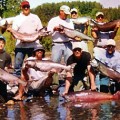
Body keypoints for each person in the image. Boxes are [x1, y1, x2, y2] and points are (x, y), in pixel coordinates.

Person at [12, 1, 43, 78]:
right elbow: (14, 32)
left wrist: (40, 36)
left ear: (29, 7)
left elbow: (40, 30)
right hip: (20, 46)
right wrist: (11, 31)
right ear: (21, 8)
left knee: (34, 66)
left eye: (27, 7)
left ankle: (33, 83)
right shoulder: (17, 18)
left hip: (33, 46)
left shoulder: (35, 17)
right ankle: (17, 83)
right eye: (24, 7)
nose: (26, 8)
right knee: (17, 67)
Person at [0, 35, 12, 102]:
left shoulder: (7, 56)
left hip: (2, 79)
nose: (0, 44)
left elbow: (6, 68)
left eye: (2, 43)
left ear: (4, 44)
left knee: (3, 100)